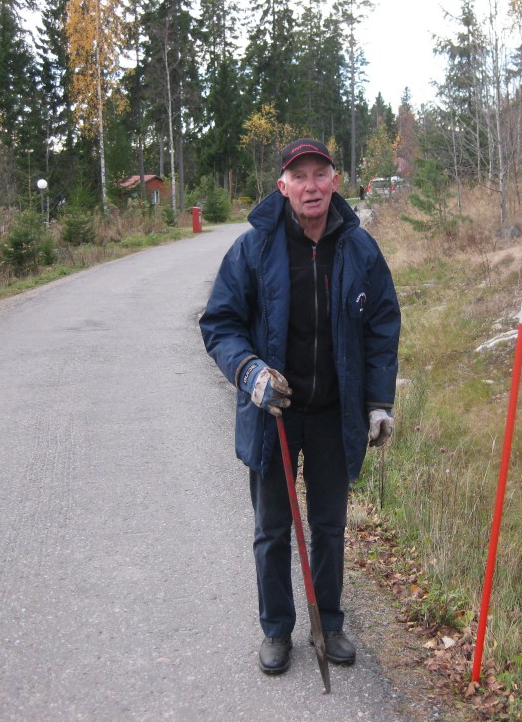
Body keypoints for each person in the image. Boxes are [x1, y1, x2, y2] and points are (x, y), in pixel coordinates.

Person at [200, 137, 401, 676]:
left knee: (330, 526)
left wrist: (379, 401)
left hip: (335, 414)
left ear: (336, 181)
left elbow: (382, 325)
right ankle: (276, 630)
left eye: (321, 174)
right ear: (282, 186)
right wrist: (249, 372)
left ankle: (330, 623)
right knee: (272, 528)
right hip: (275, 417)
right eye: (300, 176)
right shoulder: (254, 249)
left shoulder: (360, 250)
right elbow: (220, 324)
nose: (311, 185)